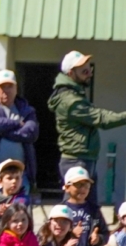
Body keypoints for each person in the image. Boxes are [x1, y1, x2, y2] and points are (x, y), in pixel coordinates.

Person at [48, 51, 126, 205]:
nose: (89, 73)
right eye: (84, 71)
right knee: (76, 208)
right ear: (71, 73)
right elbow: (102, 119)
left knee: (87, 209)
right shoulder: (70, 101)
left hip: (83, 159)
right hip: (77, 161)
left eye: (90, 68)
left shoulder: (73, 94)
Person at [0, 69, 38, 198]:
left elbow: (31, 133)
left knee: (19, 214)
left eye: (10, 86)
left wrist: (0, 131)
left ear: (16, 88)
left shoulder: (26, 110)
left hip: (20, 174)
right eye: (2, 86)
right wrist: (16, 123)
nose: (6, 90)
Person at [59, 166, 108, 246]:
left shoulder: (94, 210)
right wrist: (71, 234)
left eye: (86, 185)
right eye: (78, 185)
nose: (83, 189)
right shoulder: (61, 209)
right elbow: (51, 235)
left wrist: (98, 238)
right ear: (67, 187)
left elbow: (105, 233)